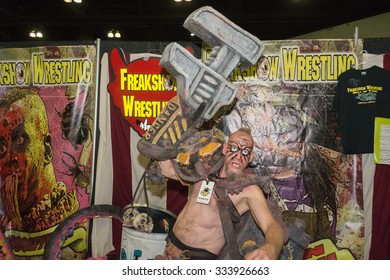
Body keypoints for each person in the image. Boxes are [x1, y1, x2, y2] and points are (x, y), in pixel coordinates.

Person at [154, 128, 286, 260]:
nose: (239, 156)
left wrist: (271, 248)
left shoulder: (249, 190)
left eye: (245, 152)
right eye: (234, 148)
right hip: (169, 249)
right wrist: (161, 145)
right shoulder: (203, 169)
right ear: (224, 148)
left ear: (250, 157)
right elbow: (168, 171)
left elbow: (271, 225)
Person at [0, 87, 80, 258]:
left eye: (20, 140)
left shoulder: (75, 231)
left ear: (47, 149)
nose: (9, 159)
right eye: (1, 148)